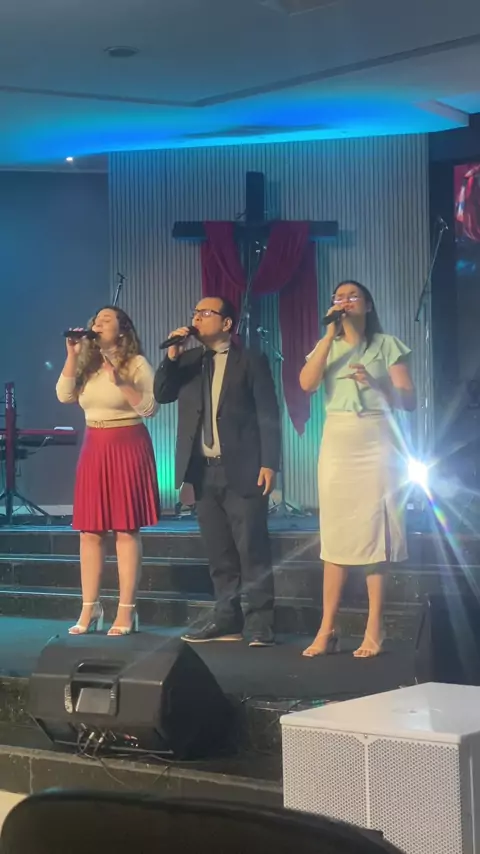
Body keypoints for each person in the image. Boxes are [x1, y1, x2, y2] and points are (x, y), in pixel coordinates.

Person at [154, 296, 280, 647]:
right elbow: (162, 394)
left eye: (205, 313)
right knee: (219, 552)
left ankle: (261, 622)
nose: (197, 318)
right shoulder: (188, 361)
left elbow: (268, 412)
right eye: (195, 312)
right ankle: (226, 617)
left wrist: (270, 462)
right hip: (202, 471)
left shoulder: (250, 360)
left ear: (226, 323)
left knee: (252, 548)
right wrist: (172, 355)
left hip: (243, 467)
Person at [299, 280, 415, 659]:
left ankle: (374, 626)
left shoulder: (387, 345)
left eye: (353, 297)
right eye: (339, 297)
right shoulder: (327, 346)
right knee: (335, 533)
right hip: (338, 440)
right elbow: (306, 384)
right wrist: (328, 335)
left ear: (368, 305)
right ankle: (327, 628)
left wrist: (376, 383)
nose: (345, 302)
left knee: (374, 533)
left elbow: (409, 400)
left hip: (377, 438)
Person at [56, 306, 160, 636]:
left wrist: (122, 381)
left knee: (125, 529)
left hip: (127, 443)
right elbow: (64, 395)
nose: (98, 324)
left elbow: (151, 407)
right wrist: (72, 355)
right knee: (89, 531)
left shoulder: (136, 363)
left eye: (106, 320)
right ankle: (90, 607)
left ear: (122, 330)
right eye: (96, 320)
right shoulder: (87, 363)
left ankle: (127, 609)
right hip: (94, 446)